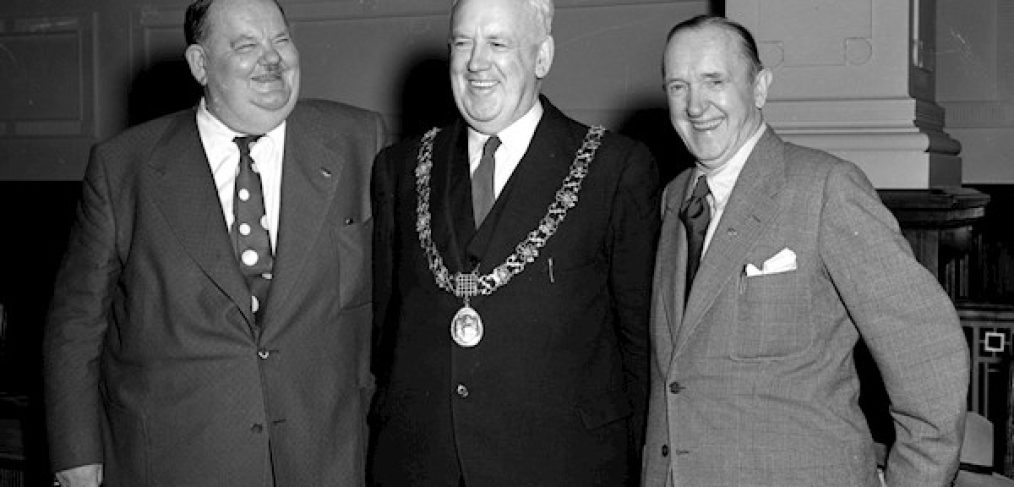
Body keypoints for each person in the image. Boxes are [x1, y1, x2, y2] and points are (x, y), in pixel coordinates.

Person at [43, 0, 386, 485]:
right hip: (177, 460)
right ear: (200, 65)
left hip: (328, 458)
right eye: (247, 46)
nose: (273, 59)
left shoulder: (360, 141)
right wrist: (76, 455)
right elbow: (76, 324)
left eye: (281, 40)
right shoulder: (125, 168)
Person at [642, 14, 969, 487]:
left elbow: (929, 356)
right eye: (678, 86)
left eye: (714, 80)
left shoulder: (825, 187)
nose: (695, 105)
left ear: (759, 88)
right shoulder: (675, 198)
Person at [369, 0, 660, 485]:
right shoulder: (400, 168)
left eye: (498, 44)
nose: (476, 62)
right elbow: (384, 337)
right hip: (422, 467)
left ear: (542, 57)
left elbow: (638, 351)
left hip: (562, 466)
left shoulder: (615, 168)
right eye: (462, 43)